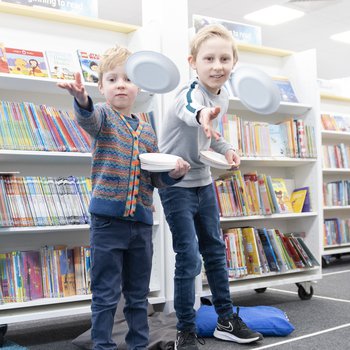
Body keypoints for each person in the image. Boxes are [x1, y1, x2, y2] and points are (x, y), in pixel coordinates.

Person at [58, 45, 190, 350]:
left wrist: (175, 172)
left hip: (141, 226)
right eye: (112, 79)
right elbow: (87, 118)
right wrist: (81, 99)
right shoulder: (103, 116)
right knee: (105, 293)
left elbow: (155, 178)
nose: (121, 84)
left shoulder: (147, 131)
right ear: (102, 86)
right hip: (107, 224)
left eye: (128, 79)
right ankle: (103, 345)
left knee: (137, 294)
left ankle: (138, 345)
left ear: (138, 86)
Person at [158, 24, 263, 349]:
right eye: (209, 59)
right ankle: (185, 330)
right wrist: (202, 114)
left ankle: (226, 319)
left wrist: (227, 149)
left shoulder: (224, 97)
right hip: (175, 184)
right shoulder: (190, 94)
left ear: (234, 61)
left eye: (224, 58)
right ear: (193, 62)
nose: (217, 66)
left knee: (215, 253)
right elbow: (192, 110)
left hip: (203, 183)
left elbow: (211, 135)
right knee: (188, 257)